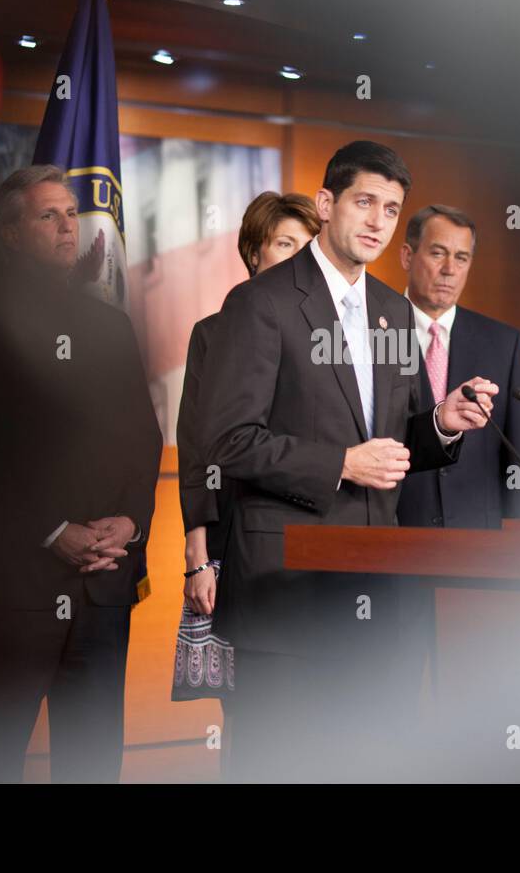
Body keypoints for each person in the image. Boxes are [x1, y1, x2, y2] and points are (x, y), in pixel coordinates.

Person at [198, 140, 498, 780]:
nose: (377, 222)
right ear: (328, 203)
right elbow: (229, 441)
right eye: (365, 202)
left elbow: (395, 444)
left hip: (370, 589)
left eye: (391, 210)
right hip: (286, 589)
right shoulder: (261, 303)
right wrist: (342, 462)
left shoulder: (394, 311)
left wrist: (442, 424)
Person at [0, 164, 163, 782]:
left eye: (72, 214)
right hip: (12, 593)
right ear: (11, 233)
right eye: (48, 215)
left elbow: (143, 441)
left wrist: (129, 522)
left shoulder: (110, 326)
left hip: (103, 592)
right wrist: (51, 532)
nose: (67, 227)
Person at [172, 192, 317, 703]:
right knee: (253, 708)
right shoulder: (215, 333)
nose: (300, 256)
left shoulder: (333, 335)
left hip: (317, 541)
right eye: (285, 243)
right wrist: (198, 557)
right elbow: (196, 447)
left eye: (309, 244)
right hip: (237, 536)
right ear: (254, 252)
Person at [396, 204, 520, 529]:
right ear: (407, 256)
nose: (449, 269)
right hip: (393, 536)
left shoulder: (505, 343)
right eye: (438, 253)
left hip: (478, 543)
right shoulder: (369, 334)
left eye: (461, 258)